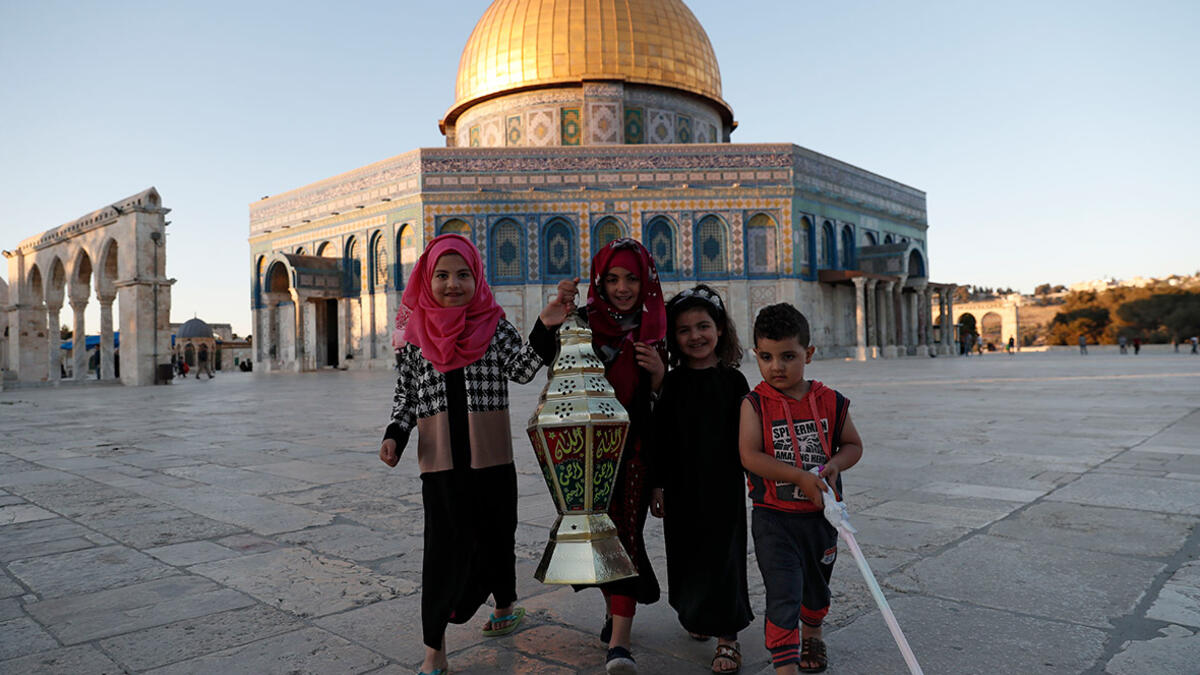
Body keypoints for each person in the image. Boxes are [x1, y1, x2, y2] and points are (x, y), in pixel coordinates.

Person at [378, 234, 557, 675]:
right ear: (427, 278)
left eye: (463, 275)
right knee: (441, 552)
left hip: (491, 460)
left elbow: (522, 368)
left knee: (497, 537)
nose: (452, 284)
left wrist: (546, 325)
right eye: (442, 275)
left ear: (476, 278)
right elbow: (407, 396)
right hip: (440, 464)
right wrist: (395, 435)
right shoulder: (416, 336)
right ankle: (434, 650)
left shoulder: (492, 325)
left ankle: (506, 604)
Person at [532, 238, 667, 675]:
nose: (623, 287)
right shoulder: (583, 320)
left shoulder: (655, 329)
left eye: (631, 277)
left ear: (646, 279)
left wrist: (660, 376)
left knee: (625, 538)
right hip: (584, 455)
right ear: (599, 281)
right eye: (612, 278)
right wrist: (552, 317)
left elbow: (666, 409)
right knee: (595, 535)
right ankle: (616, 607)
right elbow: (542, 363)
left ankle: (621, 645)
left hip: (634, 457)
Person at [739, 304, 864, 674]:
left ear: (808, 354)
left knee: (815, 589)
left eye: (788, 356)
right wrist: (796, 476)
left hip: (821, 518)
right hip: (774, 519)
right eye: (766, 357)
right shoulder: (755, 404)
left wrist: (833, 467)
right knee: (783, 592)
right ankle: (785, 665)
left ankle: (813, 633)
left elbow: (852, 446)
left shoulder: (830, 401)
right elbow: (749, 455)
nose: (776, 366)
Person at [650, 285, 751, 674]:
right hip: (681, 487)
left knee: (724, 558)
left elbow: (747, 439)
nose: (695, 336)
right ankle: (696, 613)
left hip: (724, 486)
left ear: (720, 329)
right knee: (687, 555)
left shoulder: (734, 383)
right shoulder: (672, 384)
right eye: (684, 330)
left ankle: (728, 636)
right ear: (674, 338)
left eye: (703, 326)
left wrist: (757, 478)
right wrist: (657, 484)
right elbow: (661, 437)